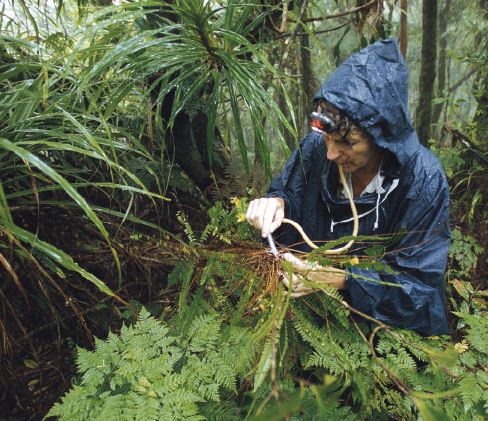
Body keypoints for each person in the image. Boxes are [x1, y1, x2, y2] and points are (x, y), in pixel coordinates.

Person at [246, 39, 450, 336]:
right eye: (328, 139)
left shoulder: (423, 180)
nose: (331, 154)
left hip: (390, 336)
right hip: (319, 321)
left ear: (383, 138)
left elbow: (414, 282)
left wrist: (342, 280)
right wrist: (276, 204)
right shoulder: (317, 147)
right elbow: (290, 191)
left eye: (347, 143)